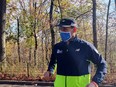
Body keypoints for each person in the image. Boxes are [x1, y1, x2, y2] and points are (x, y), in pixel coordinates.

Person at [43, 18, 107, 87]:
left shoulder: (85, 46)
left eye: (65, 29)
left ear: (74, 29)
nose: (62, 31)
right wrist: (50, 71)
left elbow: (102, 64)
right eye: (60, 29)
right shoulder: (57, 47)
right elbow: (53, 61)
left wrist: (95, 82)